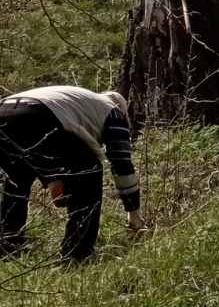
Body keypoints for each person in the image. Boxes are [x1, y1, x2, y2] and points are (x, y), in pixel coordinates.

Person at [1, 86, 144, 262]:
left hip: (5, 112)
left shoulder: (79, 102)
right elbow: (121, 164)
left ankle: (8, 245)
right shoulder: (114, 112)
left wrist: (54, 179)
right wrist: (133, 213)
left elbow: (46, 153)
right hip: (38, 115)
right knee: (89, 173)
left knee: (18, 178)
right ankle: (77, 254)